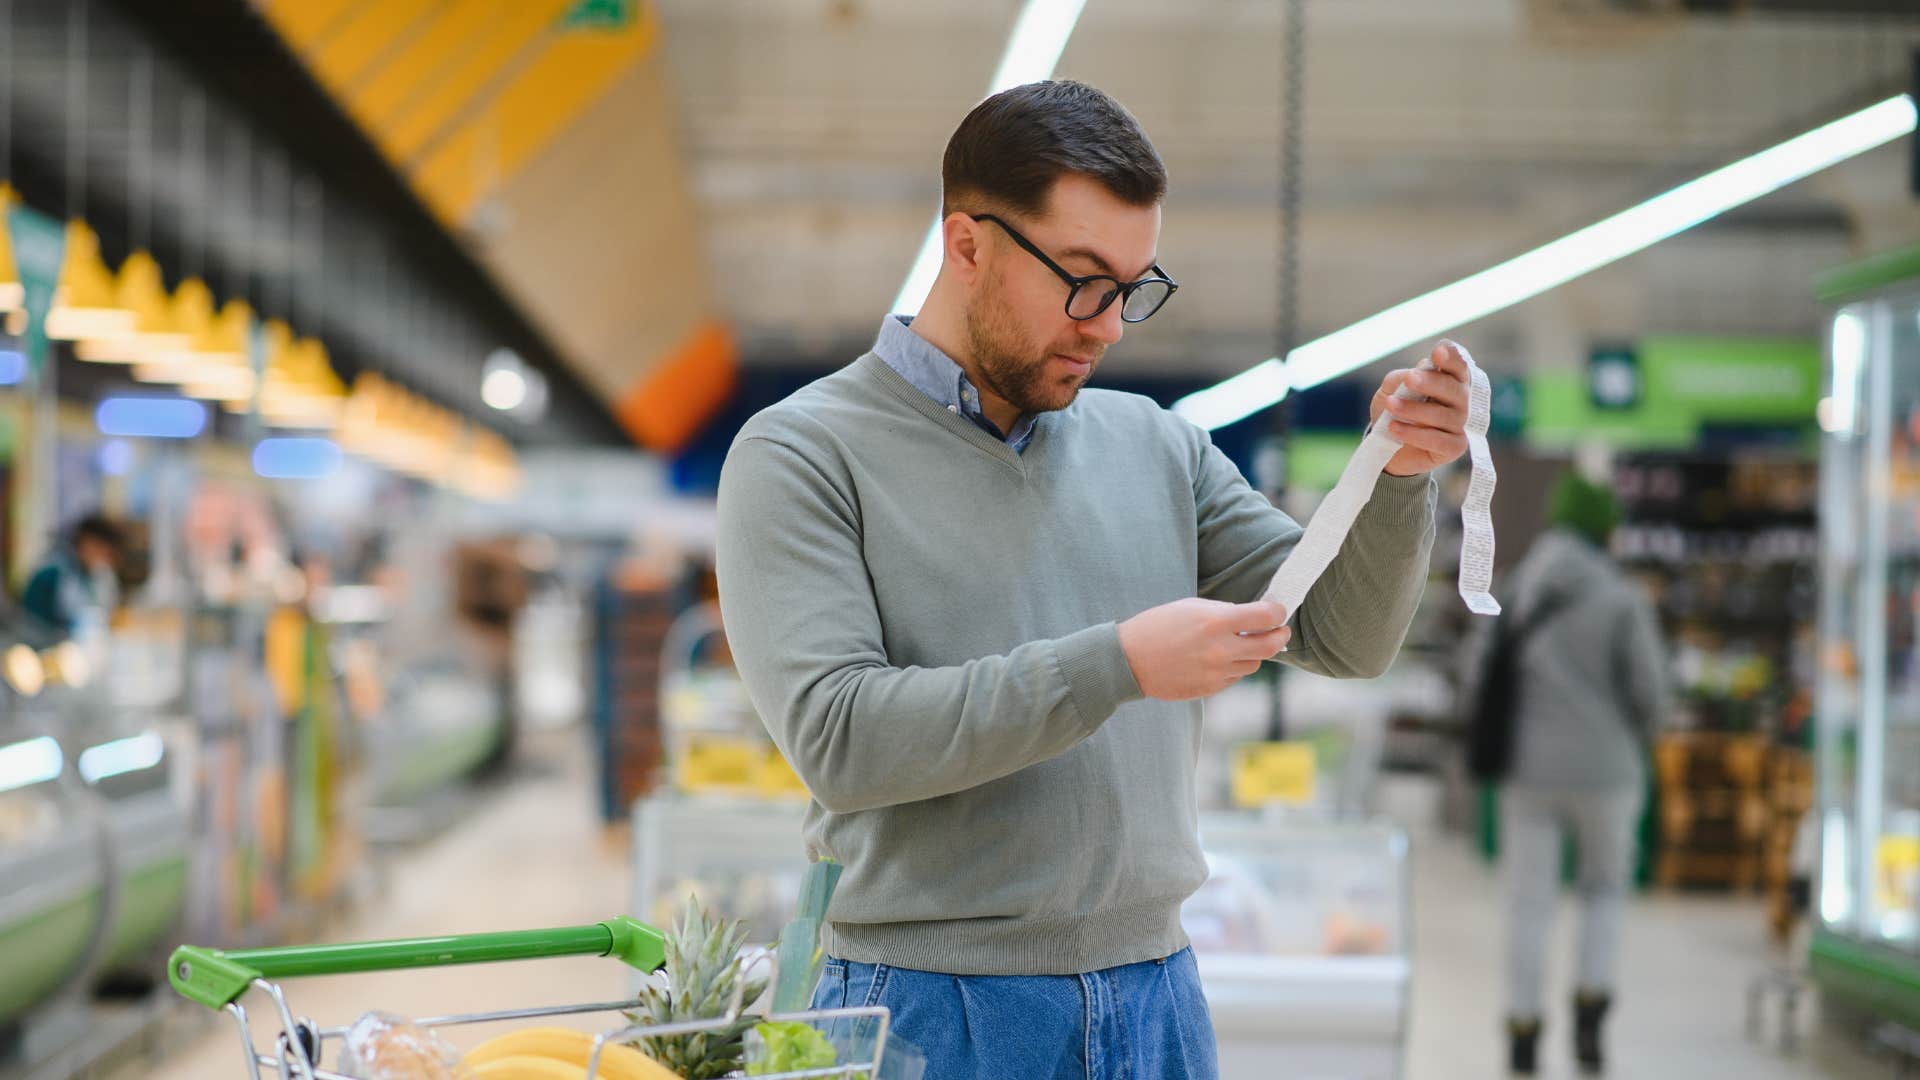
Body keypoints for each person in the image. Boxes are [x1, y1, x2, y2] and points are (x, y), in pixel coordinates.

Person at [715, 80, 1474, 1078]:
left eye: (1131, 287)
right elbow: (841, 739)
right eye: (1082, 279)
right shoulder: (801, 453)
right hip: (925, 1009)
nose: (1109, 326)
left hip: (1155, 995)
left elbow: (1343, 634)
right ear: (969, 244)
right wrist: (1115, 664)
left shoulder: (1160, 449)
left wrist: (1398, 480)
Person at [1474, 472, 1666, 1076]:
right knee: (1603, 892)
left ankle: (1524, 1033)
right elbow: (1650, 694)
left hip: (1529, 772)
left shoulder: (1517, 587)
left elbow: (1481, 671)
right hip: (1608, 772)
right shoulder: (1621, 596)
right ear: (1603, 529)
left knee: (1528, 905)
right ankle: (1589, 1017)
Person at [22, 514, 123, 639]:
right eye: (97, 548)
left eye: (107, 553)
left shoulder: (101, 575)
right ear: (83, 543)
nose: (101, 556)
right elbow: (30, 623)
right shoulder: (51, 575)